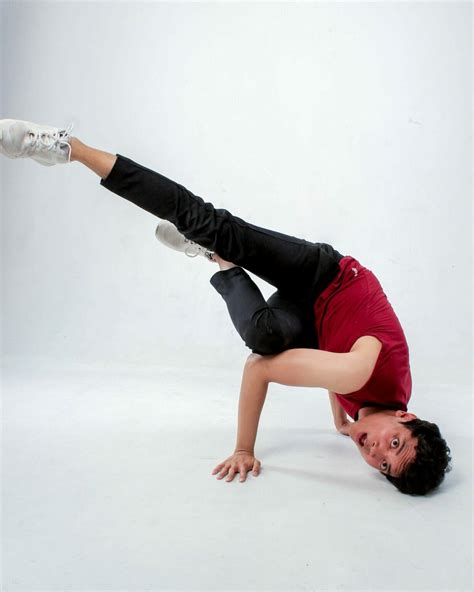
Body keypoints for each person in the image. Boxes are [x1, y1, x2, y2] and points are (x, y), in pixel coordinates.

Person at [0, 118, 452, 495]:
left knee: (263, 333)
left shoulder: (374, 404)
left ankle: (215, 257)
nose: (376, 452)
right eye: (395, 443)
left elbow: (339, 365)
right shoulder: (361, 373)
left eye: (384, 465)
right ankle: (69, 148)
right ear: (406, 416)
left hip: (318, 318)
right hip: (324, 276)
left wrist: (344, 419)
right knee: (208, 223)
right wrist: (243, 449)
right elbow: (262, 369)